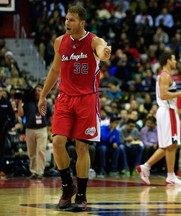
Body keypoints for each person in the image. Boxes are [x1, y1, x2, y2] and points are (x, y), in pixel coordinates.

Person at [37, 5, 111, 211]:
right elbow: (54, 70)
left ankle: (82, 195)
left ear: (82, 22)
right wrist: (43, 95)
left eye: (72, 20)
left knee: (82, 147)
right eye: (66, 19)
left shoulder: (94, 41)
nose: (67, 23)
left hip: (87, 99)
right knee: (58, 142)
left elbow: (102, 50)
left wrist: (104, 53)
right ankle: (67, 186)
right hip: (64, 98)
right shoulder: (60, 42)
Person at [136, 50, 181, 186]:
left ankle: (146, 167)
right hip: (167, 111)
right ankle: (170, 176)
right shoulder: (165, 76)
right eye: (174, 59)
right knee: (171, 145)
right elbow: (164, 95)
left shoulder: (164, 75)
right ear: (168, 60)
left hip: (167, 111)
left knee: (169, 145)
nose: (176, 61)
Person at [20, 85, 53, 179]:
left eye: (40, 90)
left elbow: (50, 116)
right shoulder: (28, 103)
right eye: (36, 90)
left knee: (41, 151)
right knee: (31, 152)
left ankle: (40, 172)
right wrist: (20, 102)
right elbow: (21, 114)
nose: (38, 92)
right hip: (29, 129)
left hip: (42, 129)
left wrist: (51, 128)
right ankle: (33, 171)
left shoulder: (46, 103)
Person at [0, 86, 16, 177]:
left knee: (2, 150)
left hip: (3, 130)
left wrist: (8, 126)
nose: (0, 92)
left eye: (1, 91)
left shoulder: (6, 102)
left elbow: (12, 117)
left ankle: (1, 169)